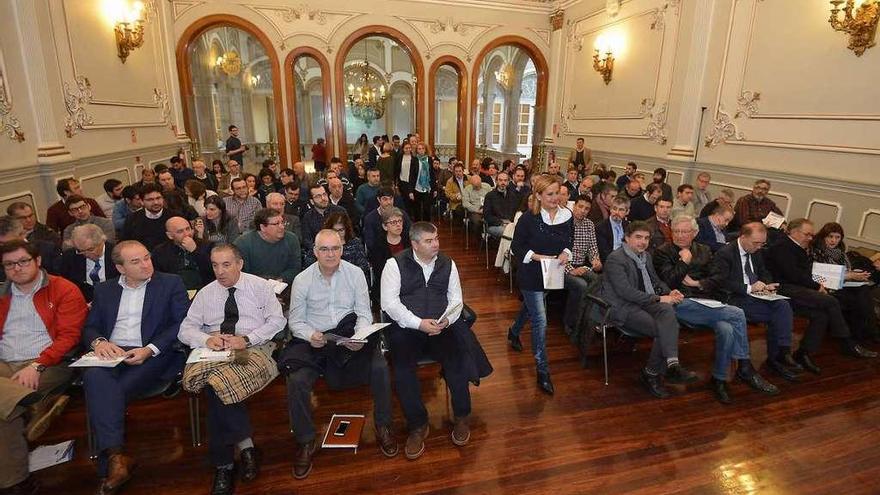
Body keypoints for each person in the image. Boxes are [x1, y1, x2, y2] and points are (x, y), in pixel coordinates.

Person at [281, 229, 397, 479]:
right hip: (315, 337)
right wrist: (312, 335)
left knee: (380, 368)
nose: (330, 254)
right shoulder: (302, 279)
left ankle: (383, 424)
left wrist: (359, 336)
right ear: (314, 252)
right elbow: (296, 322)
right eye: (324, 249)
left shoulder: (355, 274)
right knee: (297, 380)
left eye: (335, 248)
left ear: (342, 249)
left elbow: (364, 312)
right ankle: (306, 440)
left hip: (349, 333)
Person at [80, 240, 188, 495]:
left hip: (152, 354)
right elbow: (90, 326)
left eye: (147, 257)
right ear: (120, 268)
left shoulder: (170, 283)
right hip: (112, 352)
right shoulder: (104, 290)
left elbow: (181, 323)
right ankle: (117, 457)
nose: (145, 264)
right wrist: (99, 342)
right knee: (95, 375)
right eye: (135, 261)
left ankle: (112, 459)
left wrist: (149, 349)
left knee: (106, 389)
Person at [178, 244, 286, 495]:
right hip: (214, 349)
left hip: (250, 347)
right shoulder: (205, 293)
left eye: (226, 264)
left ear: (240, 264)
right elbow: (185, 329)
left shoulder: (259, 287)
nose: (220, 271)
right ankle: (246, 447)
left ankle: (224, 465)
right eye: (215, 265)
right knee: (215, 384)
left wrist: (246, 339)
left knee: (216, 386)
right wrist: (207, 340)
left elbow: (278, 321)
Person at [381, 222, 489, 459]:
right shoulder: (394, 264)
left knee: (457, 360)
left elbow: (456, 300)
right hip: (408, 327)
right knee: (402, 370)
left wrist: (446, 321)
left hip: (442, 325)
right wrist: (418, 323)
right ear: (415, 244)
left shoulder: (448, 264)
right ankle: (418, 424)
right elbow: (389, 304)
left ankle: (461, 416)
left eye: (437, 238)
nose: (436, 244)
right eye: (429, 241)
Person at [653, 216, 778, 404]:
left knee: (727, 329)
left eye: (684, 231)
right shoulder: (663, 252)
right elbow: (668, 282)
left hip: (705, 301)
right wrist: (683, 263)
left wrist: (698, 283)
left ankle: (719, 380)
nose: (679, 235)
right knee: (736, 313)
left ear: (694, 233)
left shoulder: (703, 250)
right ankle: (745, 367)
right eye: (676, 231)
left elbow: (718, 278)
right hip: (678, 302)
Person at [0, 240, 87, 494]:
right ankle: (29, 406)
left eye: (23, 261)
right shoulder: (2, 294)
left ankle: (15, 482)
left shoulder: (63, 289)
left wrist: (38, 364)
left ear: (38, 261)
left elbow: (69, 336)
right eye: (9, 265)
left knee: (3, 412)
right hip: (4, 363)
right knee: (7, 405)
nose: (16, 268)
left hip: (49, 362)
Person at [600, 221, 698, 399]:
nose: (643, 242)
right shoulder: (616, 258)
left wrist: (669, 292)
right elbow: (626, 292)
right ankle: (651, 373)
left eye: (646, 238)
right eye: (638, 237)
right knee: (664, 328)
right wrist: (660, 298)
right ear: (627, 238)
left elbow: (655, 281)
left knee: (668, 313)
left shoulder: (645, 256)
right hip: (623, 307)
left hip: (645, 302)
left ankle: (672, 365)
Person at [765, 218, 877, 372]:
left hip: (797, 288)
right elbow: (794, 275)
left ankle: (803, 353)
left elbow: (805, 273)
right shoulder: (783, 247)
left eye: (811, 235)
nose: (811, 238)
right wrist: (818, 286)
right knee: (830, 301)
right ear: (795, 232)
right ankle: (847, 342)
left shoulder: (796, 246)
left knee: (821, 315)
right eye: (807, 234)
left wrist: (819, 284)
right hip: (783, 289)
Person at [707, 222, 801, 382]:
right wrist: (749, 288)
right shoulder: (725, 253)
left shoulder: (756, 251)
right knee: (775, 315)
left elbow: (764, 272)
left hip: (755, 295)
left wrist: (767, 284)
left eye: (762, 243)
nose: (759, 246)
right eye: (756, 243)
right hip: (734, 297)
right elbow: (720, 283)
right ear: (743, 237)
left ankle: (782, 353)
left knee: (782, 306)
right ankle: (766, 361)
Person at [509, 175, 572, 395]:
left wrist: (565, 253)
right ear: (538, 195)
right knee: (540, 320)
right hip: (530, 274)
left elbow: (568, 242)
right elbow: (517, 246)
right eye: (550, 194)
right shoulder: (528, 218)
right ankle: (542, 370)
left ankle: (514, 331)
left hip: (552, 273)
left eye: (558, 193)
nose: (555, 198)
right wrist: (537, 256)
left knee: (531, 308)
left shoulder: (567, 215)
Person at [812, 222, 879, 343]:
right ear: (824, 236)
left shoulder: (840, 252)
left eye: (837, 237)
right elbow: (823, 273)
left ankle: (863, 332)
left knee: (862, 289)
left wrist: (855, 274)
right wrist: (849, 275)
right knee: (860, 295)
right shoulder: (817, 251)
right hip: (826, 285)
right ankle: (865, 333)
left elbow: (846, 270)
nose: (833, 240)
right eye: (830, 237)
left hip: (842, 283)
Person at [563, 195, 602, 338]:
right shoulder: (563, 223)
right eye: (580, 207)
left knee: (598, 281)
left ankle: (588, 319)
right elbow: (555, 252)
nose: (583, 211)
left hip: (581, 265)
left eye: (586, 209)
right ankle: (571, 323)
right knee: (581, 285)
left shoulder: (589, 224)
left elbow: (592, 247)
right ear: (574, 206)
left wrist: (596, 260)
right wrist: (570, 270)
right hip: (562, 267)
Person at [234, 208, 302, 286]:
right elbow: (241, 272)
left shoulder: (291, 239)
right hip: (252, 287)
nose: (282, 227)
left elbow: (295, 268)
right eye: (276, 224)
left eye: (282, 222)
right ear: (262, 227)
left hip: (283, 285)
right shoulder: (242, 243)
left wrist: (278, 281)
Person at [59, 224, 118, 302]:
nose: (86, 254)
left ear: (102, 241)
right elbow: (65, 284)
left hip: (113, 299)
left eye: (90, 249)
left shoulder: (117, 254)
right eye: (80, 250)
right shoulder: (70, 257)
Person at [152, 217, 214, 290]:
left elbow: (212, 271)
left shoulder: (207, 246)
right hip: (174, 291)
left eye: (188, 229)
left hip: (203, 290)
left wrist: (195, 251)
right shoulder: (160, 251)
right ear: (170, 235)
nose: (187, 234)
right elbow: (158, 278)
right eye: (180, 231)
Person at [122, 183, 177, 251]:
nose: (156, 202)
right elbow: (126, 244)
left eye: (158, 198)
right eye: (150, 200)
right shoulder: (132, 219)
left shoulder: (175, 217)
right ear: (142, 201)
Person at [363, 187, 412, 255]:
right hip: (379, 253)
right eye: (385, 199)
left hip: (403, 250)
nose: (389, 202)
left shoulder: (402, 214)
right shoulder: (370, 218)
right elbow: (370, 243)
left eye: (391, 199)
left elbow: (410, 233)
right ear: (378, 199)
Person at [301, 185, 346, 252]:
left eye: (324, 194)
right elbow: (307, 241)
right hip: (318, 253)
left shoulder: (340, 211)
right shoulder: (308, 217)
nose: (323, 198)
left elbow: (349, 234)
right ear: (312, 201)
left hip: (341, 249)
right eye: (318, 196)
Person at [483, 172, 519, 239]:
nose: (503, 183)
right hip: (495, 225)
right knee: (510, 232)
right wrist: (502, 222)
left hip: (510, 224)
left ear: (508, 182)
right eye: (500, 180)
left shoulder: (513, 195)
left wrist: (511, 223)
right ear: (496, 181)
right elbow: (487, 216)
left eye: (505, 180)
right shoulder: (490, 196)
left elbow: (516, 211)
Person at [596, 196, 630, 263]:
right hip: (610, 261)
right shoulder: (601, 227)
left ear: (627, 212)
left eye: (621, 210)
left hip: (627, 260)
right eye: (614, 208)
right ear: (610, 209)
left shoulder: (628, 226)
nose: (617, 212)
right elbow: (604, 252)